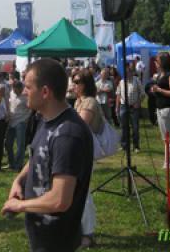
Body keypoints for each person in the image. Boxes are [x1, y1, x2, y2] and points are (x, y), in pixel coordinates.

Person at [2, 59, 93, 252]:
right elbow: (38, 156)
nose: (24, 92)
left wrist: (20, 206)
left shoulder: (67, 135)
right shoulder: (45, 119)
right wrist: (19, 180)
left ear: (45, 92)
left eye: (28, 87)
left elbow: (60, 200)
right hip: (43, 237)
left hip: (58, 242)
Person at [73, 69, 104, 248]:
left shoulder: (90, 102)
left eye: (77, 82)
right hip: (77, 151)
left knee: (83, 192)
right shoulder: (80, 102)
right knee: (77, 191)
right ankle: (80, 229)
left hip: (84, 151)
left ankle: (88, 233)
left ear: (85, 84)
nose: (74, 85)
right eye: (73, 81)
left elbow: (80, 126)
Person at [151, 52, 170, 164]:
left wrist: (159, 90)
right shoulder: (160, 75)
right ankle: (167, 162)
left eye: (157, 60)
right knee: (165, 139)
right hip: (160, 109)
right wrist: (154, 90)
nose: (155, 62)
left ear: (162, 62)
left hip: (168, 109)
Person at [116, 64, 144, 153]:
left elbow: (142, 94)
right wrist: (117, 107)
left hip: (134, 107)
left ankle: (136, 146)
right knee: (124, 127)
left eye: (129, 72)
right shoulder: (121, 82)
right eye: (126, 72)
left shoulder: (137, 80)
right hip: (123, 106)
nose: (127, 74)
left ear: (132, 72)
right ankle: (124, 145)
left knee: (135, 127)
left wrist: (138, 102)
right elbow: (118, 94)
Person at [5, 81, 31, 171]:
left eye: (17, 90)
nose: (15, 91)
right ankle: (11, 163)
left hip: (21, 122)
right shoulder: (11, 93)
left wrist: (26, 119)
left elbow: (31, 108)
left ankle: (18, 165)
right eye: (14, 89)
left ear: (21, 88)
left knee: (20, 145)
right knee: (8, 144)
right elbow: (9, 104)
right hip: (11, 121)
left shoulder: (26, 96)